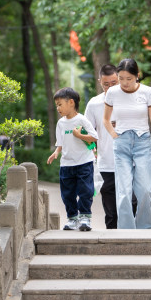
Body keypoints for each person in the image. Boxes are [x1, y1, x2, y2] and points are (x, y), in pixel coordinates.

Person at [103, 58, 151, 229]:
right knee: (124, 191)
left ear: (137, 76)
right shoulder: (112, 93)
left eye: (128, 79)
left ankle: (145, 227)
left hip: (143, 142)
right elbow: (106, 120)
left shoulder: (147, 92)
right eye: (121, 78)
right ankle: (126, 230)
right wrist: (115, 136)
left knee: (144, 189)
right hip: (121, 143)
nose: (124, 83)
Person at [85, 64, 136, 229]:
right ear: (100, 82)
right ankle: (113, 250)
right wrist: (90, 152)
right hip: (106, 166)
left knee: (132, 205)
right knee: (112, 213)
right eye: (106, 84)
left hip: (130, 164)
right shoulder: (94, 104)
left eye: (114, 83)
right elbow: (89, 135)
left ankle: (132, 245)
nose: (110, 87)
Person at [47, 87, 99, 231]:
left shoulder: (82, 119)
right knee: (67, 194)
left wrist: (80, 136)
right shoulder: (61, 123)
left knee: (85, 191)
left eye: (59, 104)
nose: (57, 108)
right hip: (66, 164)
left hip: (84, 162)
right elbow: (60, 142)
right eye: (56, 105)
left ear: (71, 102)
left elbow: (94, 137)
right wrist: (56, 152)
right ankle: (72, 219)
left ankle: (85, 218)